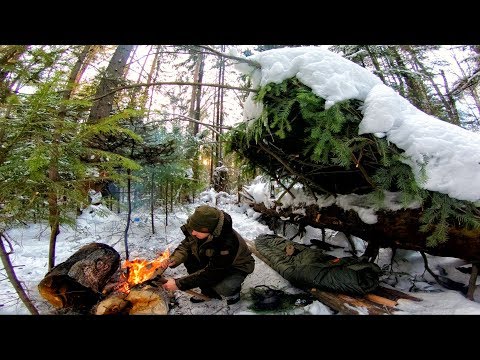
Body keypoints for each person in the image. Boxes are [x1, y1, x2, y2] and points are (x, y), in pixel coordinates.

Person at [162, 205, 255, 305]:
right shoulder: (198, 226)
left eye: (196, 231)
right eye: (192, 229)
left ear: (208, 230)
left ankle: (234, 292)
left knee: (224, 287)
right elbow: (187, 245)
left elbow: (213, 272)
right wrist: (175, 258)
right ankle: (208, 293)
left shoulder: (226, 243)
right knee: (190, 258)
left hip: (236, 266)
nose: (193, 233)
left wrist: (178, 284)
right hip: (213, 260)